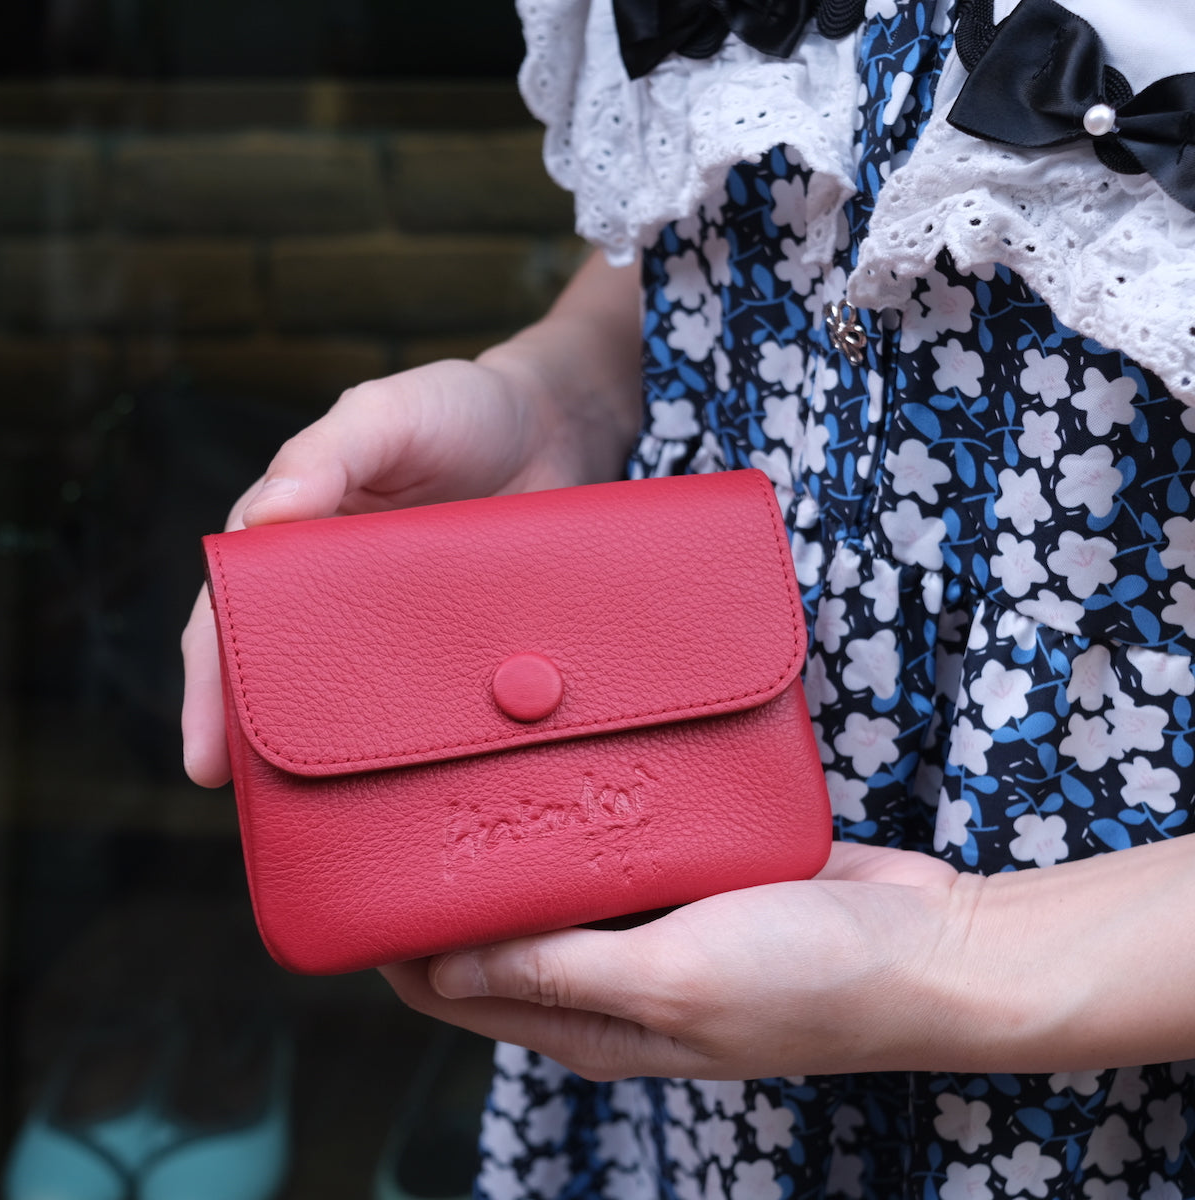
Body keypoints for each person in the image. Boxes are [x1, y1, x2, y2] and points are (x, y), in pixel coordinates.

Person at [182, 0, 1195, 1195]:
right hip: (697, 851)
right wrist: (560, 394)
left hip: (1101, 958)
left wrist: (961, 956)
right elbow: (762, 190)